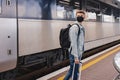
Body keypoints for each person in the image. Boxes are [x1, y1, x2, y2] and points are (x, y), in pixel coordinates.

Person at [64, 10, 85, 80]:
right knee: (74, 72)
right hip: (74, 54)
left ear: (84, 17)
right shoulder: (75, 27)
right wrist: (76, 57)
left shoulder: (81, 27)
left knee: (73, 71)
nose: (80, 17)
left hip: (77, 53)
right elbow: (73, 43)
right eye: (78, 15)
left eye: (82, 16)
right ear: (76, 16)